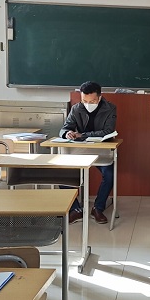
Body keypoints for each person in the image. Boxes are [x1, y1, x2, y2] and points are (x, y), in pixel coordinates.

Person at [60, 81, 117, 225]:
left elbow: (108, 131)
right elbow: (65, 128)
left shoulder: (110, 108)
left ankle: (98, 208)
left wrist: (83, 135)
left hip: (101, 150)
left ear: (99, 97)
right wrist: (67, 133)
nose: (87, 104)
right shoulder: (76, 108)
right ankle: (75, 209)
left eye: (91, 101)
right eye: (84, 101)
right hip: (80, 150)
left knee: (109, 175)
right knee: (61, 173)